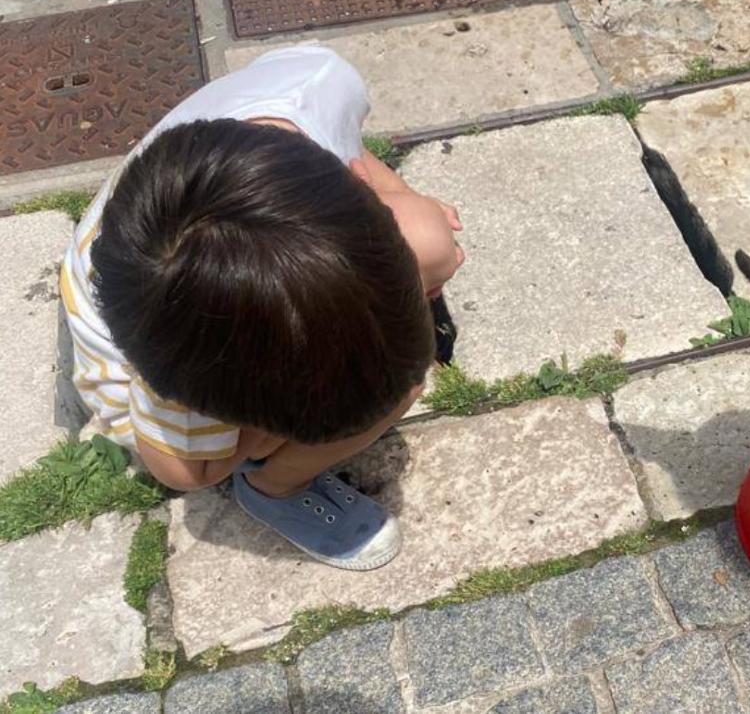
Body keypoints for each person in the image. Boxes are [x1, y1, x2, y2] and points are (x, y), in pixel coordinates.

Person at [60, 46, 464, 570]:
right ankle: (273, 485)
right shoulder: (179, 355)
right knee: (400, 387)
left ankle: (343, 370)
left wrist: (400, 196)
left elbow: (352, 152)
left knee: (429, 239)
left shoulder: (316, 84)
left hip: (188, 242)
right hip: (156, 333)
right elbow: (180, 472)